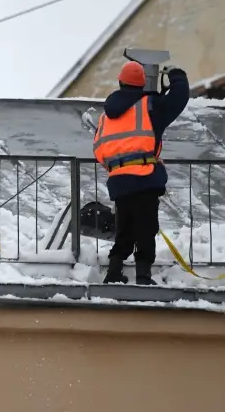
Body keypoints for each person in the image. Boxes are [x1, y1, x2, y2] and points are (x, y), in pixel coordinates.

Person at [93, 60, 189, 285]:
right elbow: (179, 97)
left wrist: (119, 166)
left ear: (120, 82)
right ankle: (144, 276)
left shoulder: (106, 115)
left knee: (124, 228)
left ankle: (114, 272)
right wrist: (177, 75)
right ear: (142, 85)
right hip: (144, 177)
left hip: (118, 179)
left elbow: (98, 148)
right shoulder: (151, 106)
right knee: (146, 227)